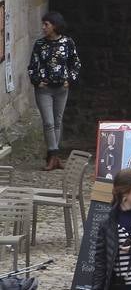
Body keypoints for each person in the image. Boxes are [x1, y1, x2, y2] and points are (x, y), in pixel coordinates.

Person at [27, 10, 81, 170]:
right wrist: (37, 81)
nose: (43, 27)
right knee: (49, 122)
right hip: (44, 90)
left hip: (61, 89)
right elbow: (32, 66)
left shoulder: (67, 43)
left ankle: (54, 157)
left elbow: (75, 63)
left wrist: (69, 79)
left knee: (57, 121)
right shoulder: (40, 44)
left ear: (55, 26)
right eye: (43, 24)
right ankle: (53, 154)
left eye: (46, 24)